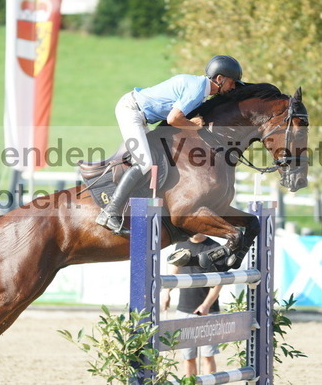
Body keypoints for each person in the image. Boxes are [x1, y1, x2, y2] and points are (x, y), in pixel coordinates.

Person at [95, 55, 244, 234]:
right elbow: (173, 119)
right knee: (145, 162)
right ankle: (109, 212)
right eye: (232, 82)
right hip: (131, 110)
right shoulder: (197, 89)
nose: (233, 87)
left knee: (158, 158)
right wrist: (193, 126)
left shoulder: (199, 89)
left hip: (141, 115)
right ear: (219, 79)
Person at [161, 234, 223, 377]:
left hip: (209, 311)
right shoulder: (180, 244)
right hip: (184, 309)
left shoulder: (215, 247)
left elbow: (219, 281)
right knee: (188, 357)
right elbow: (176, 270)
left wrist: (206, 305)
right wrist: (166, 292)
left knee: (208, 356)